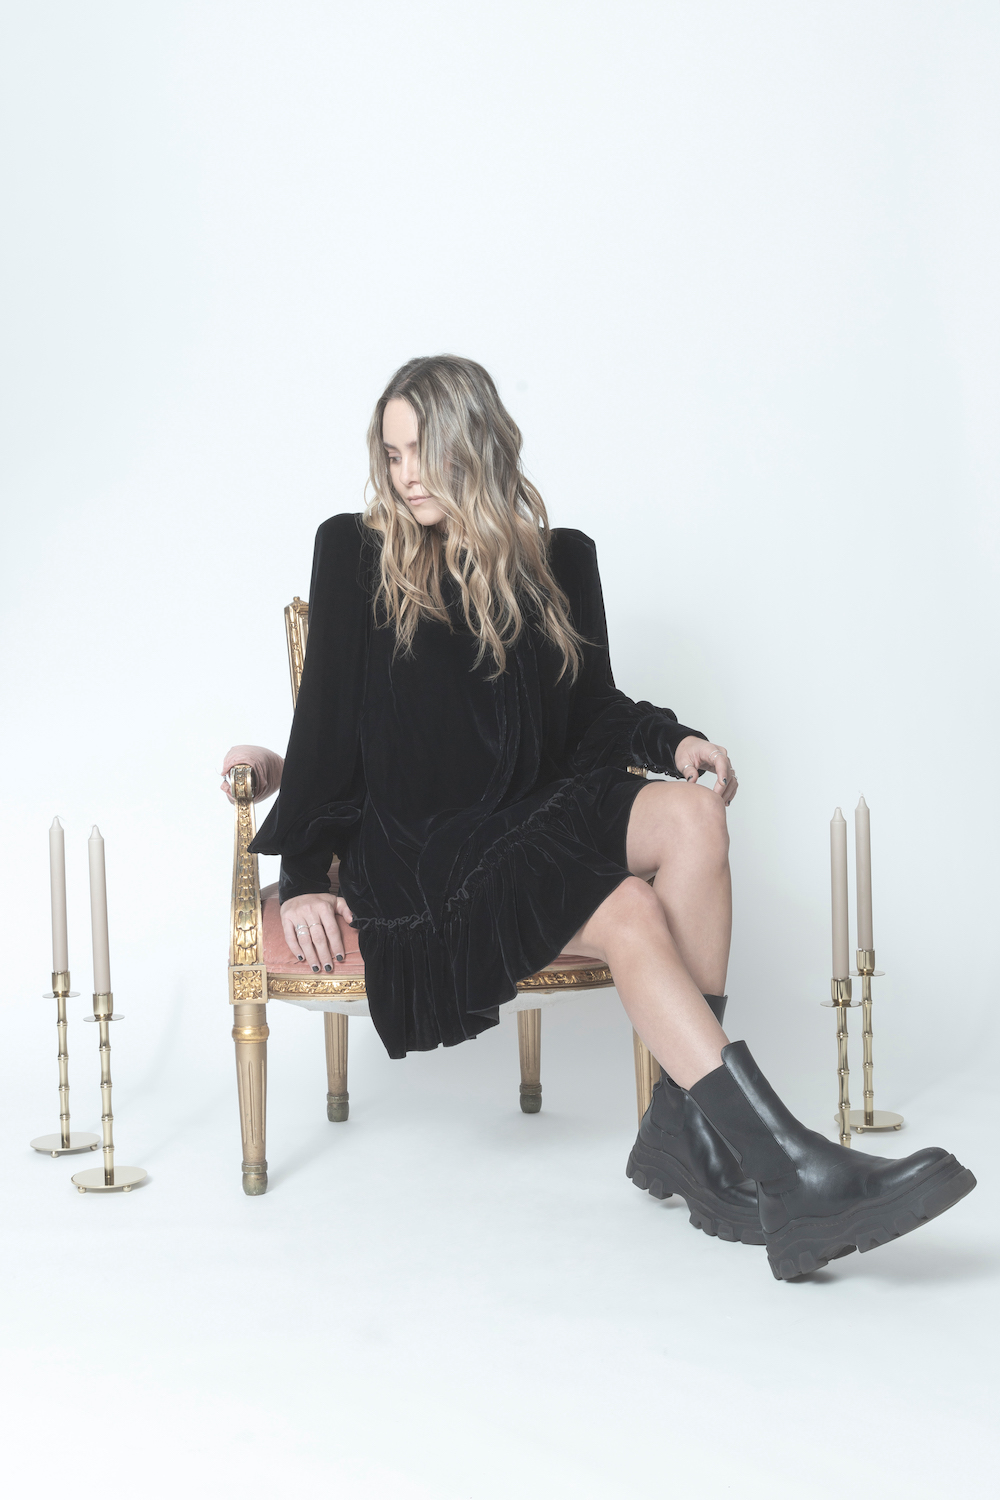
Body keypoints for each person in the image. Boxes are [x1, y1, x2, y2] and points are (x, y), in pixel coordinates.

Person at [245, 354, 974, 1280]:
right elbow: (322, 731)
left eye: (423, 450)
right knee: (627, 907)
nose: (406, 475)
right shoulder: (356, 553)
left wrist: (676, 742)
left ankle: (690, 1134)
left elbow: (593, 713)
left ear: (477, 443)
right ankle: (782, 1167)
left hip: (530, 817)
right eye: (391, 456)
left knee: (695, 818)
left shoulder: (558, 560)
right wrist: (304, 874)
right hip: (425, 851)